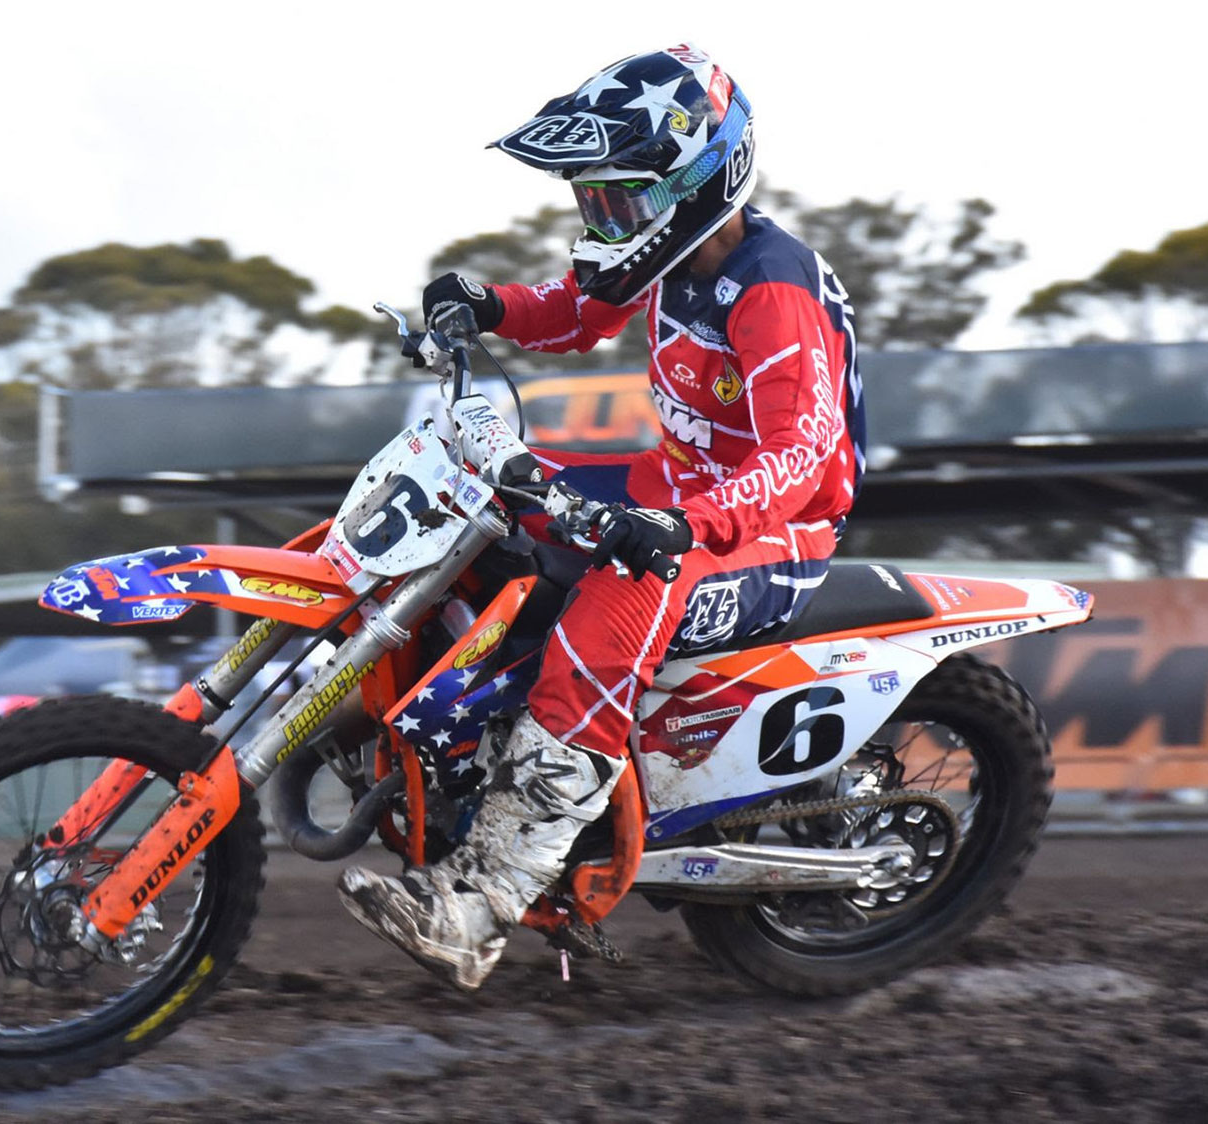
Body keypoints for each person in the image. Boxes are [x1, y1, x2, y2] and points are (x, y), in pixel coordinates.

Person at [339, 44, 865, 990]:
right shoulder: (673, 255)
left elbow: (798, 456)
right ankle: (435, 731)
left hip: (768, 530)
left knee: (621, 592)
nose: (601, 222)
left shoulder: (770, 286)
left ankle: (484, 901)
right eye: (593, 202)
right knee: (488, 496)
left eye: (617, 202)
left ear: (697, 183)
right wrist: (490, 305)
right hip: (673, 488)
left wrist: (687, 528)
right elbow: (580, 311)